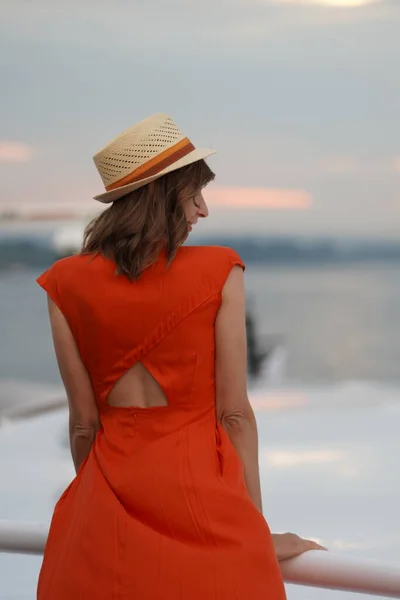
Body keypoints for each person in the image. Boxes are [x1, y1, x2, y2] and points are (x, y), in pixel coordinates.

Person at [36, 113, 325, 599]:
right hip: (207, 522)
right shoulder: (218, 272)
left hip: (97, 535)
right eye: (194, 194)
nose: (203, 210)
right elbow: (235, 416)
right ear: (163, 197)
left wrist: (105, 509)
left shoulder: (64, 282)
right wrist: (256, 532)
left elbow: (84, 425)